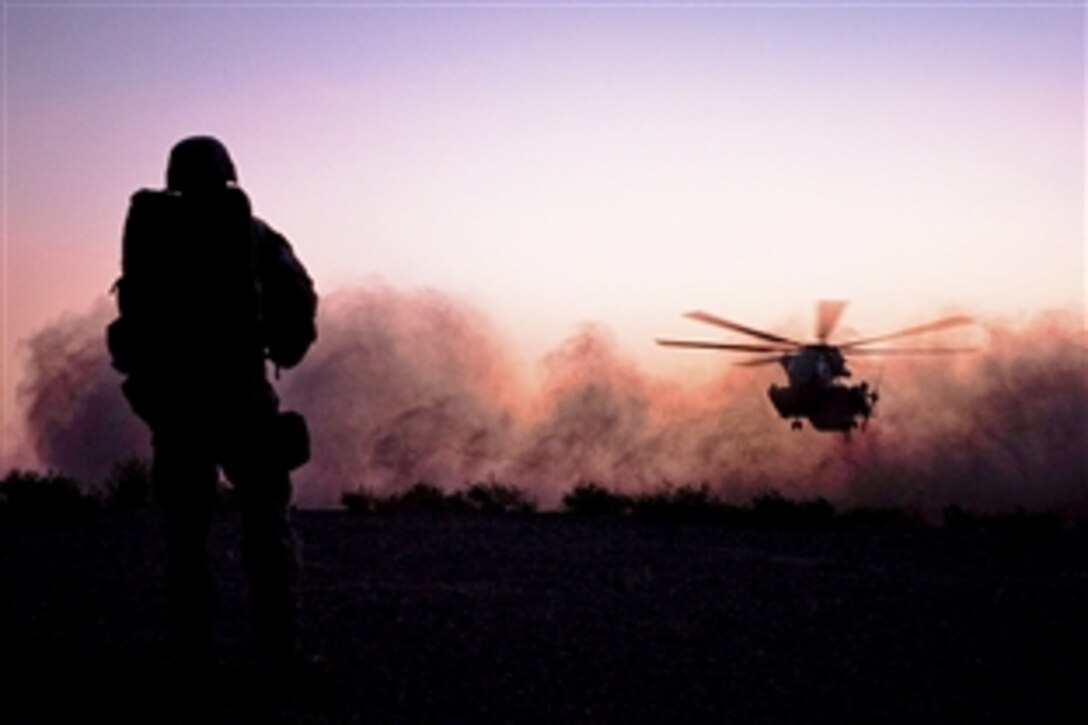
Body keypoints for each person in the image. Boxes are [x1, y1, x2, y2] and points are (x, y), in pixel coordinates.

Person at [107, 136, 317, 673]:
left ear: (174, 177)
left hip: (175, 404)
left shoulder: (151, 237)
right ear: (228, 175)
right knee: (266, 525)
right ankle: (280, 655)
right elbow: (297, 305)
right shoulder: (251, 236)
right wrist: (278, 344)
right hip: (240, 396)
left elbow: (132, 316)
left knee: (185, 537)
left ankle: (189, 655)